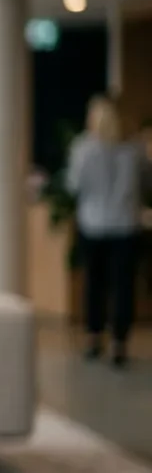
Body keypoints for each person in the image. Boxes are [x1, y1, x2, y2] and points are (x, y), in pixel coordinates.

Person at [67, 95, 149, 369]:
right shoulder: (136, 149)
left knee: (94, 283)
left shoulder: (83, 148)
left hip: (93, 224)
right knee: (123, 286)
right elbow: (147, 183)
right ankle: (119, 343)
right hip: (126, 225)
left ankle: (93, 338)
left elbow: (73, 185)